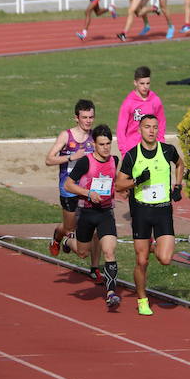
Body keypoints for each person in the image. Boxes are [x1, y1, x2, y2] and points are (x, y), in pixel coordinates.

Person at [115, 115, 185, 316]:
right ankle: (142, 299)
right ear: (140, 130)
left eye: (155, 127)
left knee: (165, 258)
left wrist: (178, 186)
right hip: (141, 211)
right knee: (142, 261)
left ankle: (155, 246)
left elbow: (180, 164)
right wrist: (137, 181)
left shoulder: (167, 150)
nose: (151, 131)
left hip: (163, 209)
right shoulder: (131, 155)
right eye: (147, 127)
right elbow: (119, 185)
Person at [61, 124, 123, 310]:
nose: (105, 148)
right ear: (94, 144)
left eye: (108, 144)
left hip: (105, 213)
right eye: (102, 144)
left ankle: (111, 293)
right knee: (82, 253)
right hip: (87, 213)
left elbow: (116, 182)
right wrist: (88, 193)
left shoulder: (114, 160)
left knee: (109, 251)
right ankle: (66, 241)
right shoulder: (85, 162)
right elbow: (68, 185)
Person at [44, 100, 102, 279]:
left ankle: (95, 269)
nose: (88, 121)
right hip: (68, 189)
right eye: (84, 117)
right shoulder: (66, 136)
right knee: (70, 227)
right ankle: (59, 236)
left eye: (91, 117)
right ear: (76, 118)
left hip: (88, 190)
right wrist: (71, 157)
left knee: (97, 229)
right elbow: (49, 159)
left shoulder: (95, 136)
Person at [116, 66, 165, 156]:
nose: (145, 87)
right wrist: (124, 151)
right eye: (142, 83)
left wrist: (160, 142)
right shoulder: (128, 103)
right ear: (135, 83)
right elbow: (121, 129)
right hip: (133, 149)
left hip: (152, 148)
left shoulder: (155, 100)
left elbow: (161, 123)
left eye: (147, 83)